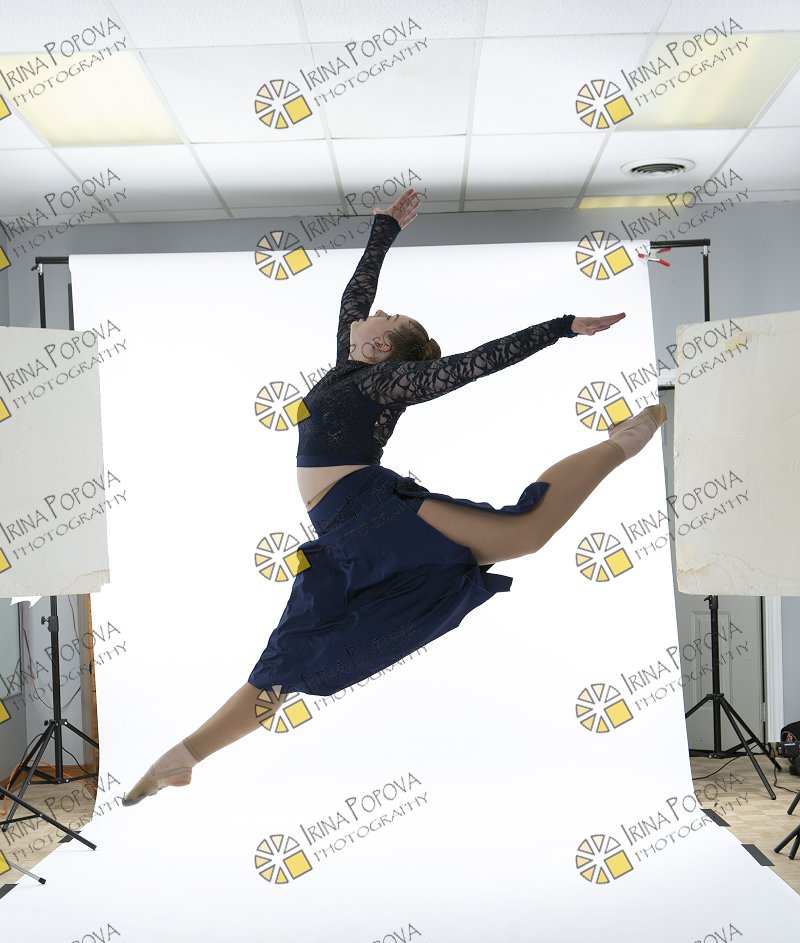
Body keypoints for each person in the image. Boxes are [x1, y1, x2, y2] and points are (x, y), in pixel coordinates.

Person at [123, 187, 666, 805]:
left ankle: (625, 440)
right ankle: (182, 757)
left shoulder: (387, 381)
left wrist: (561, 328)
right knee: (299, 649)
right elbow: (355, 297)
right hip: (344, 526)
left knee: (524, 534)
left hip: (369, 505)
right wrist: (384, 228)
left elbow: (478, 362)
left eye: (389, 317)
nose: (378, 312)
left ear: (384, 347)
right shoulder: (352, 365)